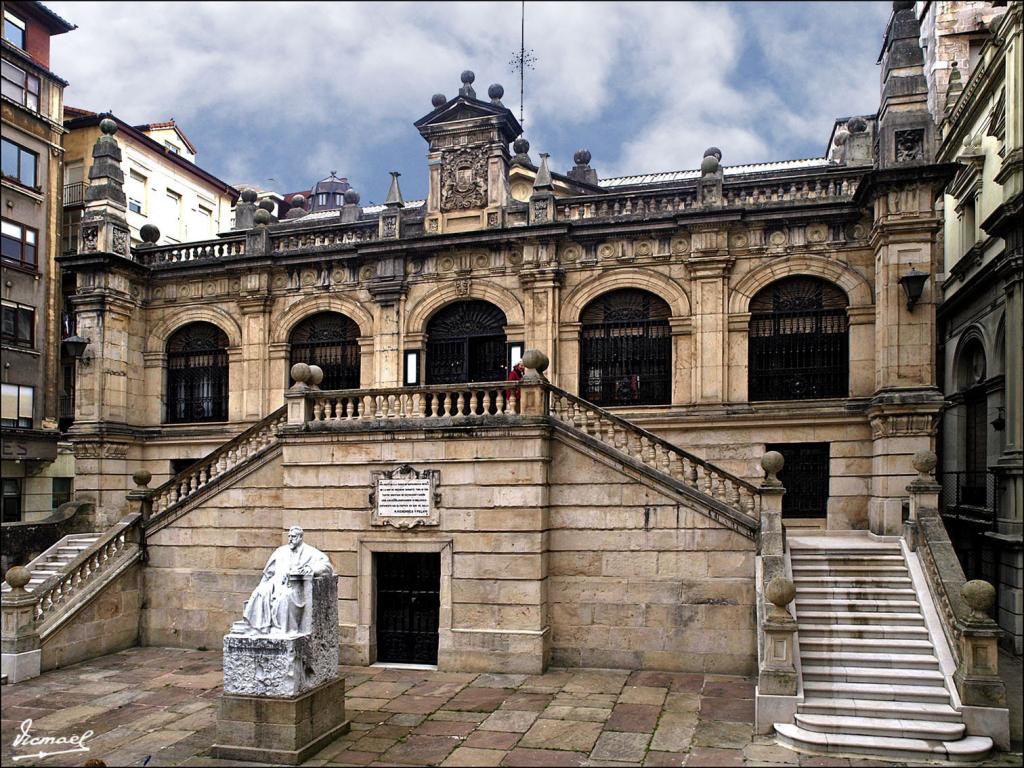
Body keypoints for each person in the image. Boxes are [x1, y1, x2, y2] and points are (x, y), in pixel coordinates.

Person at [239, 526, 333, 634]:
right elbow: (268, 573)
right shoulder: (281, 551)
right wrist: (262, 585)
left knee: (284, 598)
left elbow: (327, 566)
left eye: (293, 537)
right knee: (260, 592)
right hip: (275, 584)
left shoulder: (310, 552)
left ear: (300, 537)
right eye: (289, 537)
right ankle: (258, 628)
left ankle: (283, 630)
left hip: (295, 587)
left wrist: (310, 569)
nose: (290, 540)